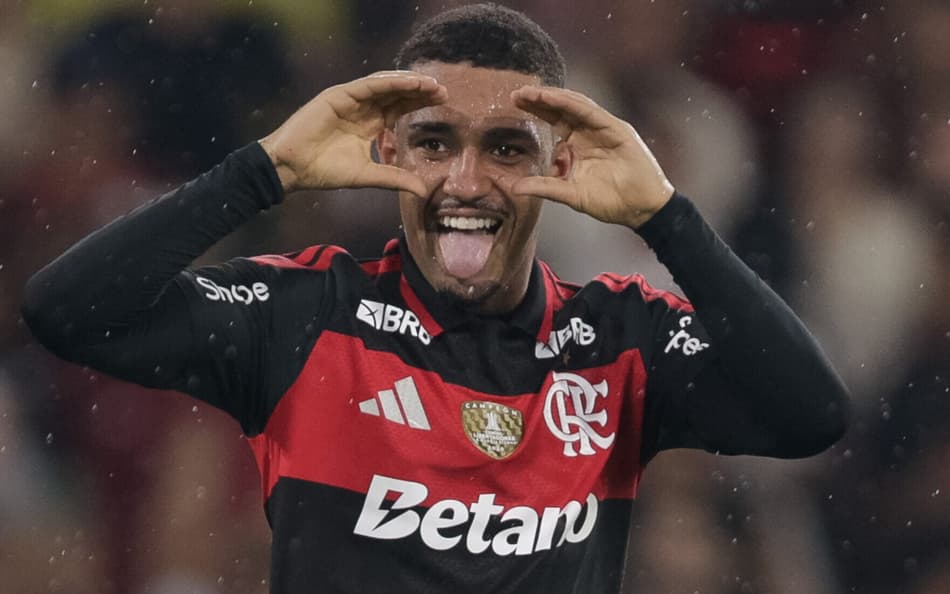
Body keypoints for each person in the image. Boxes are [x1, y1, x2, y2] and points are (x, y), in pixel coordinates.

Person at [22, 4, 849, 593]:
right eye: (433, 141)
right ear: (387, 150)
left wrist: (666, 218)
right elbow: (68, 311)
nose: (465, 180)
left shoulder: (617, 338)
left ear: (558, 167)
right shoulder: (306, 314)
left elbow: (809, 414)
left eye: (505, 148)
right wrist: (265, 169)